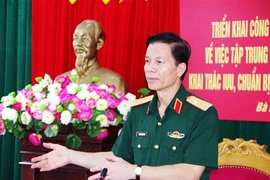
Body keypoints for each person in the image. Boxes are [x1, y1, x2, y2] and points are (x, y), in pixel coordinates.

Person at [31, 32, 219, 180]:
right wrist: (71, 156)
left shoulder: (201, 114)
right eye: (147, 61)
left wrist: (134, 171)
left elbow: (190, 173)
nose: (149, 68)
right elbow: (117, 159)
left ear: (180, 69)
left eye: (159, 62)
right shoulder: (138, 111)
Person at [58, 19, 127, 94]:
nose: (78, 43)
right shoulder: (60, 81)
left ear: (99, 43)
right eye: (75, 38)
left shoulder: (114, 81)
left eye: (85, 39)